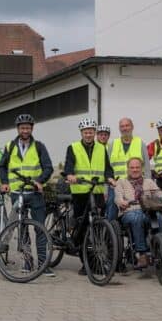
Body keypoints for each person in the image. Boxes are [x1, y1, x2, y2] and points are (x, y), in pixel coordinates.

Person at [0, 114, 55, 276]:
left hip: (34, 192)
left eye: (28, 127)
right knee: (22, 227)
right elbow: (2, 166)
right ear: (18, 129)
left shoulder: (39, 146)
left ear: (32, 129)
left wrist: (39, 180)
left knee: (40, 228)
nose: (25, 130)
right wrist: (4, 182)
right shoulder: (10, 146)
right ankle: (28, 261)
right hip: (17, 192)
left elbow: (48, 167)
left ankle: (44, 264)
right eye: (22, 127)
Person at [63, 117, 115, 275]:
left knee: (98, 227)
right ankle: (86, 263)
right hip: (80, 191)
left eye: (91, 131)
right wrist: (70, 174)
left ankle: (98, 261)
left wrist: (110, 178)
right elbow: (69, 165)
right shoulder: (73, 147)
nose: (88, 134)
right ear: (81, 133)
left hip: (97, 191)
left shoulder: (101, 148)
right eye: (86, 132)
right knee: (83, 227)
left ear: (94, 133)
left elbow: (107, 168)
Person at [114, 158, 162, 269]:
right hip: (129, 212)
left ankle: (159, 247)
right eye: (132, 167)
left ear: (141, 168)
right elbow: (117, 197)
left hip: (148, 211)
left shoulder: (148, 181)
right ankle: (141, 254)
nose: (135, 170)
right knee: (137, 217)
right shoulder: (121, 182)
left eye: (137, 167)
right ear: (128, 169)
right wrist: (122, 202)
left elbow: (159, 193)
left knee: (158, 216)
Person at [108, 117, 150, 220]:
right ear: (119, 128)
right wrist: (106, 189)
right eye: (122, 126)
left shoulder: (140, 143)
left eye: (127, 125)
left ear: (132, 127)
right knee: (111, 211)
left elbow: (147, 168)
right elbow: (107, 168)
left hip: (136, 185)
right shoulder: (113, 144)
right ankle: (112, 234)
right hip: (116, 185)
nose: (125, 128)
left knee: (138, 212)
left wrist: (148, 186)